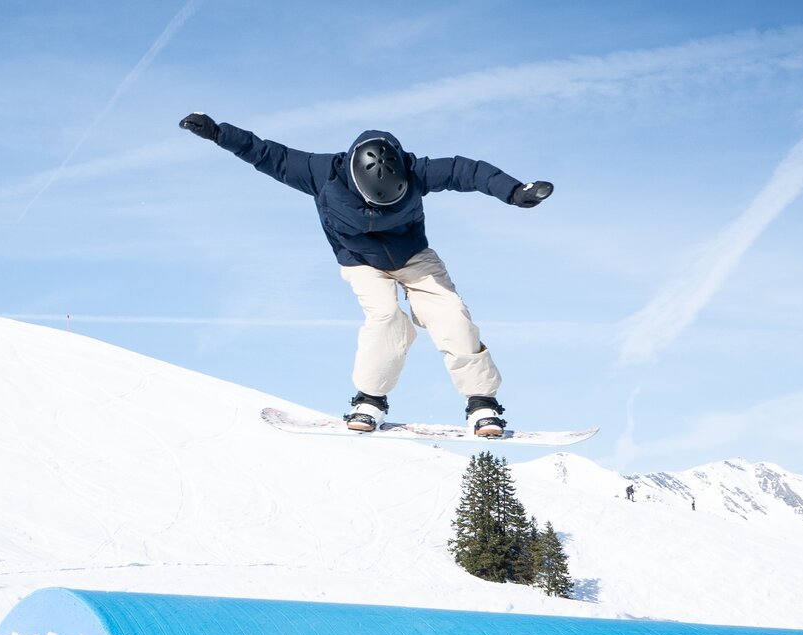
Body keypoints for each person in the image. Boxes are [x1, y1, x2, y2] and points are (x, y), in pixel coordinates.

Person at [179, 112, 553, 436]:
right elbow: (264, 153)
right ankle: (370, 399)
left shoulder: (417, 170)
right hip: (359, 260)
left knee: (451, 313)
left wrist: (514, 191)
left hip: (414, 255)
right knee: (386, 318)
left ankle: (481, 401)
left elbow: (466, 171)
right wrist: (217, 133)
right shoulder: (318, 172)